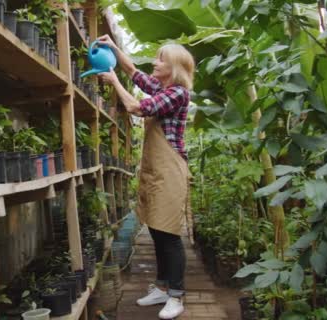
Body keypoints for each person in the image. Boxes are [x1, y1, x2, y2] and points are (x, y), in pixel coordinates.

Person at [96, 34, 195, 320]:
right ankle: (162, 289)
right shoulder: (163, 87)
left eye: (161, 59)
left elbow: (137, 108)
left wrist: (114, 82)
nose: (155, 62)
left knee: (170, 235)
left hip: (170, 170)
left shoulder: (178, 93)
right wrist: (114, 48)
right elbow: (134, 73)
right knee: (155, 229)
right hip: (155, 171)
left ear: (174, 67)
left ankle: (176, 296)